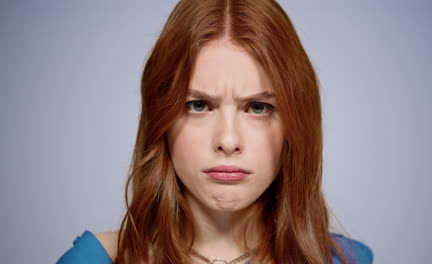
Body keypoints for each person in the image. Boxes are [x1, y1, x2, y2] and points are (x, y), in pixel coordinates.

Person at [57, 0, 373, 263]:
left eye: (258, 108)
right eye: (198, 105)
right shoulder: (97, 259)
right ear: (160, 119)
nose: (228, 141)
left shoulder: (346, 259)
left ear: (295, 126)